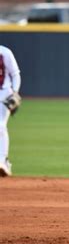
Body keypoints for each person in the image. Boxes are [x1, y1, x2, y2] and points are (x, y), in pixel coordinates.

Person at [0, 45, 21, 177]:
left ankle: (3, 160)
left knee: (0, 126)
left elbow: (15, 74)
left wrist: (15, 93)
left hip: (4, 95)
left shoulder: (5, 52)